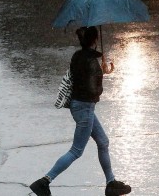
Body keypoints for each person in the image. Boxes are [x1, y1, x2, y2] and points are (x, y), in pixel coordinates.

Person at [29, 26, 131, 196]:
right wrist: (101, 74)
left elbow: (82, 78)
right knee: (76, 151)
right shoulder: (91, 61)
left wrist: (100, 69)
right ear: (95, 41)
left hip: (80, 106)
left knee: (103, 142)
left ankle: (111, 183)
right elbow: (93, 90)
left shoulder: (78, 56)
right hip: (85, 107)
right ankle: (44, 181)